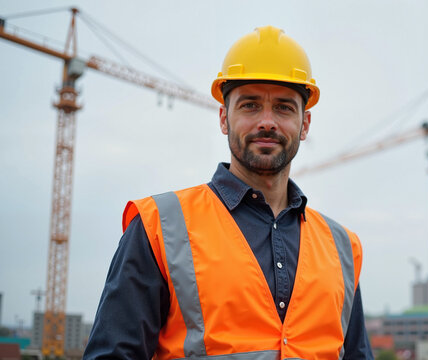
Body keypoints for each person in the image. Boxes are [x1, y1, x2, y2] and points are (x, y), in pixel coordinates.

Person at [83, 25, 373, 360]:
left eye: (283, 107)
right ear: (224, 118)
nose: (267, 122)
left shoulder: (342, 248)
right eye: (250, 106)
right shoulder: (159, 227)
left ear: (305, 124)